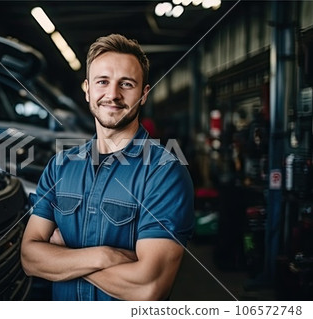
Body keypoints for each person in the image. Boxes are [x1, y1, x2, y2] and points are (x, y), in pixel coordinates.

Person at [20, 34, 194, 301]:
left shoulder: (164, 172)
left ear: (144, 94)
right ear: (88, 89)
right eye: (103, 82)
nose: (113, 95)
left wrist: (64, 256)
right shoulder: (60, 167)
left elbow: (148, 288)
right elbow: (30, 259)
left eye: (126, 84)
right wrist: (105, 256)